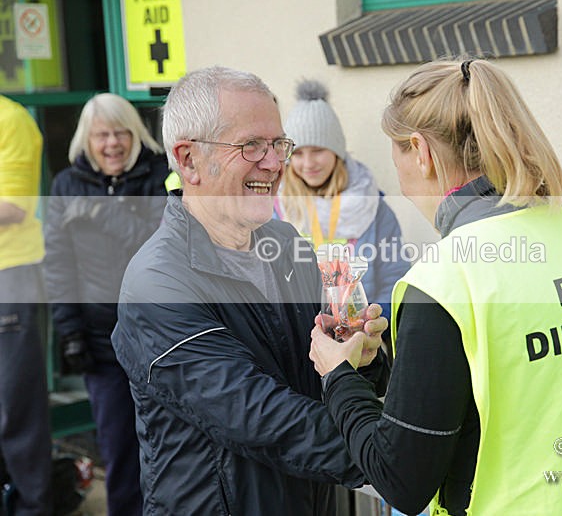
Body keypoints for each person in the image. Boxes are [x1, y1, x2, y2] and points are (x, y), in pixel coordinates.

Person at [309, 59, 562, 515]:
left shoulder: (445, 278)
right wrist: (378, 367)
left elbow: (403, 480)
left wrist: (339, 377)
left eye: (396, 157)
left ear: (420, 151)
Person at [110, 66, 390, 515]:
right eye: (252, 146)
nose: (276, 163)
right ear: (188, 160)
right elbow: (262, 417)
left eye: (279, 144)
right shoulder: (157, 286)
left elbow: (319, 376)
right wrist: (393, 457)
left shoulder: (285, 245)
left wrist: (364, 357)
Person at [43, 93, 169, 516]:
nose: (112, 143)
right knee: (118, 451)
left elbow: (161, 243)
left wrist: (102, 212)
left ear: (135, 135)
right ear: (87, 139)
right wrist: (70, 334)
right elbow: (58, 267)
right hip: (100, 345)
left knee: (169, 449)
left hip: (158, 337)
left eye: (120, 132)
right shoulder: (65, 186)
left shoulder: (159, 176)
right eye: (102, 135)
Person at [277, 79, 409, 342]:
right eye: (299, 153)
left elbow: (395, 281)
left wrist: (370, 323)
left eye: (318, 151)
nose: (308, 163)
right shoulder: (274, 208)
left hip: (360, 343)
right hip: (295, 344)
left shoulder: (374, 208)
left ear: (337, 152)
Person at [0, 95, 52, 516]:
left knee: (16, 410)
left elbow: (14, 208)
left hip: (9, 275)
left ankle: (33, 508)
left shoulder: (10, 119)